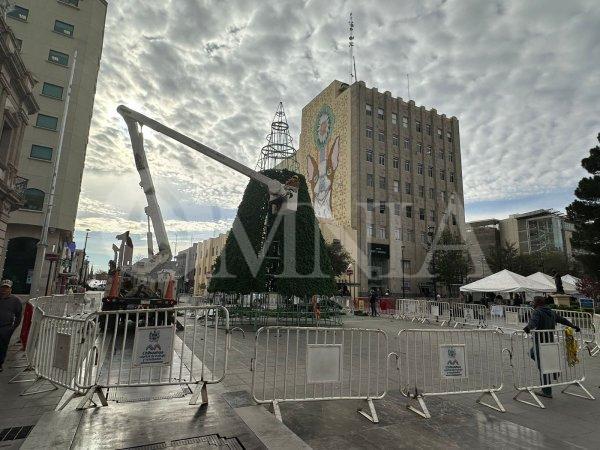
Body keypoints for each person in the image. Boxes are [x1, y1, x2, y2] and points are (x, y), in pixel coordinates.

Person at [523, 296, 580, 398]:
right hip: (549, 341)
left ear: (537, 303)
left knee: (543, 366)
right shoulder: (551, 312)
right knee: (532, 353)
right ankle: (553, 371)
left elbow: (533, 322)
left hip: (540, 342)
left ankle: (547, 391)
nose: (532, 304)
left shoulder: (537, 312)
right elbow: (562, 320)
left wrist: (528, 328)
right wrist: (573, 326)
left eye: (533, 302)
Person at [0, 280, 23, 372]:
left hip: (5, 328)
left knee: (2, 347)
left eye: (7, 288)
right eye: (3, 287)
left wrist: (12, 328)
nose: (4, 290)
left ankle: (0, 363)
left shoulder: (15, 300)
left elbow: (18, 316)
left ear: (10, 289)